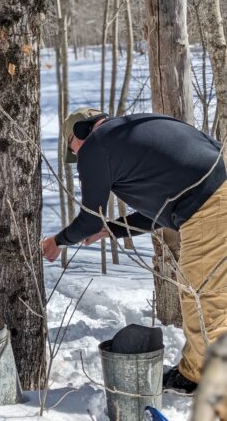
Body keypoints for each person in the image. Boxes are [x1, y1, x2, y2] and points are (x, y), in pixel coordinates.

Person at [42, 108, 227, 394]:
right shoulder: (129, 135)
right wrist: (110, 229)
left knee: (201, 296)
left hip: (209, 206)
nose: (78, 158)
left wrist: (58, 240)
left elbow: (90, 216)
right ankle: (199, 371)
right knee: (211, 292)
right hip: (216, 190)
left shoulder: (96, 145)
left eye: (73, 150)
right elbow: (157, 215)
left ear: (79, 132)